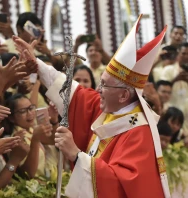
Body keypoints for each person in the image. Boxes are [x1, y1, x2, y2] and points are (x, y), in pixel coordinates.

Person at [13, 14, 170, 197]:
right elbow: (74, 92)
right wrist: (37, 64)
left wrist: (76, 155)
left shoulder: (139, 132)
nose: (98, 89)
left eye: (104, 85)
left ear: (124, 95)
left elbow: (120, 186)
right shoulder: (113, 108)